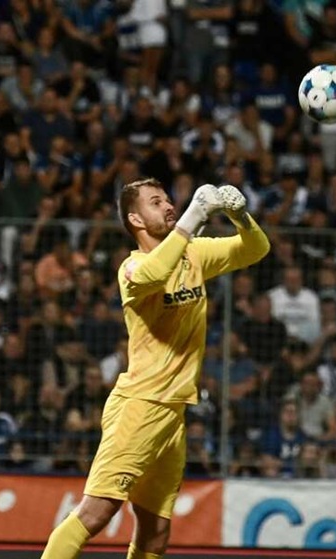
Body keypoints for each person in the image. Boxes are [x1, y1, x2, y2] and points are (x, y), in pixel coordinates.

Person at [40, 178, 270, 559]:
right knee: (96, 513)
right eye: (155, 202)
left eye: (168, 199)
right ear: (136, 219)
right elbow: (155, 274)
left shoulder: (193, 254)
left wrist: (240, 216)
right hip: (139, 406)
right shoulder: (131, 268)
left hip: (172, 413)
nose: (167, 205)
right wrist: (193, 217)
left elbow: (256, 249)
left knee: (155, 530)